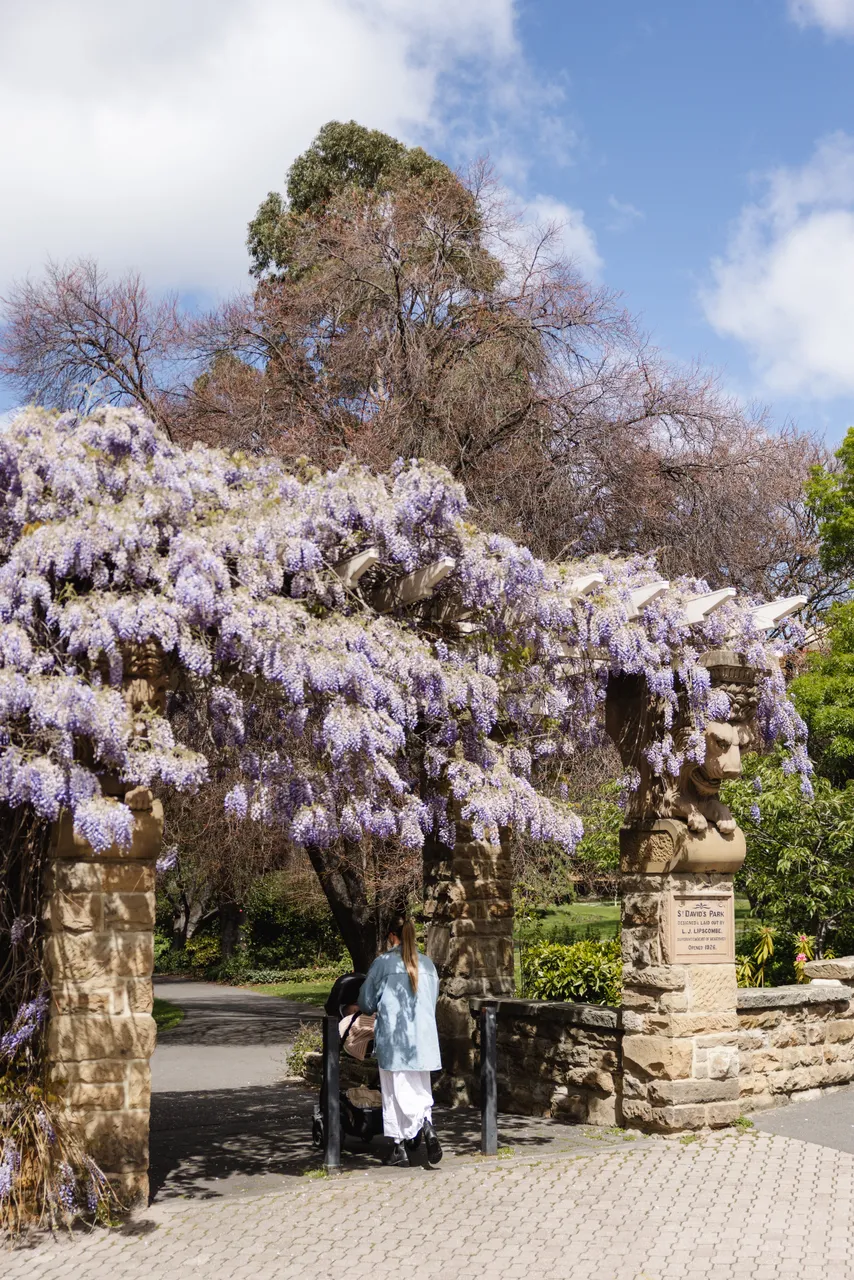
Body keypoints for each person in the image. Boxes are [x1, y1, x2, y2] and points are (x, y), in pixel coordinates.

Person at [358, 913, 443, 1167]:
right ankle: (409, 1137)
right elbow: (432, 1000)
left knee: (395, 1091)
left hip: (395, 1040)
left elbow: (366, 1002)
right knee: (419, 1088)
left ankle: (415, 1131)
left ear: (391, 936)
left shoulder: (383, 964)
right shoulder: (427, 964)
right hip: (424, 1039)